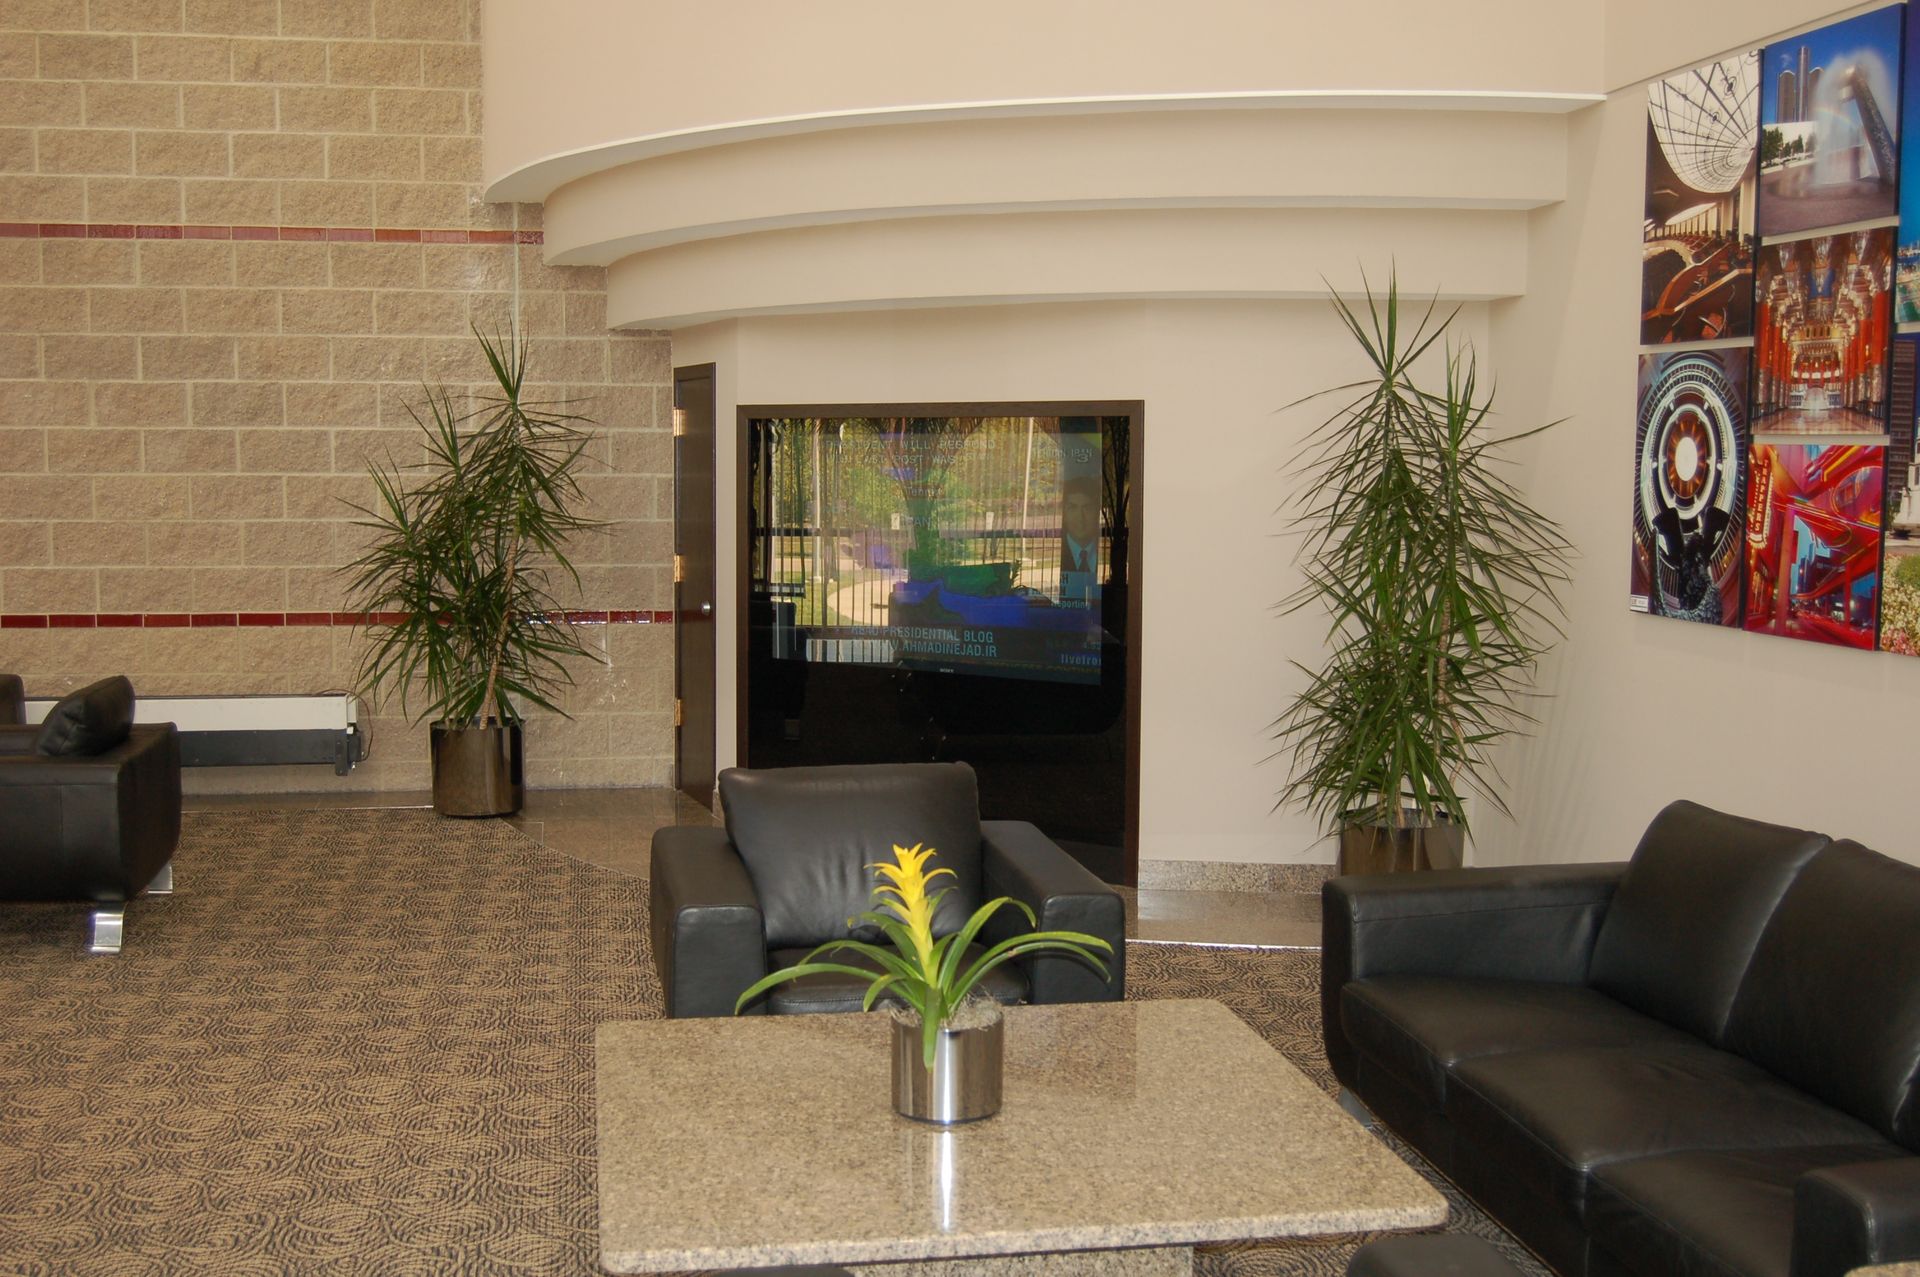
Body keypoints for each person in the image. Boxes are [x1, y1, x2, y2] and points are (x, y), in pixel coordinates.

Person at [1057, 476, 1102, 606]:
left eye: (1087, 508)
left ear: (1097, 512)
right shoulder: (1057, 552)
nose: (1080, 517)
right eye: (1072, 508)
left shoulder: (1108, 557)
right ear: (1064, 514)